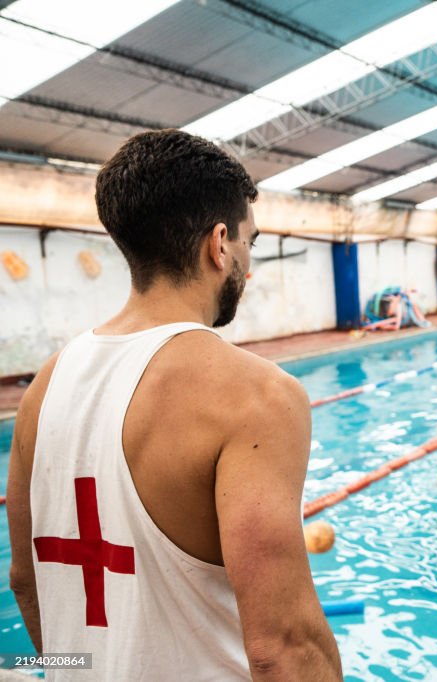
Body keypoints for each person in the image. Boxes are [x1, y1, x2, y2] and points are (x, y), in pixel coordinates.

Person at [6, 130, 342, 680]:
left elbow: (25, 580)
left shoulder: (45, 384)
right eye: (248, 243)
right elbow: (282, 647)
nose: (248, 265)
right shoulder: (257, 395)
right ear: (219, 244)